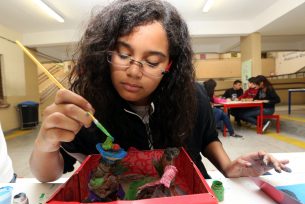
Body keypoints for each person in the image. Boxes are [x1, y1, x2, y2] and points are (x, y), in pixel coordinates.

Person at [30, 0, 289, 182]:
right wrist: (45, 143)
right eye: (123, 55)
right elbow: (47, 175)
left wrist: (228, 167)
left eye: (152, 62)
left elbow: (209, 138)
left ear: (169, 65)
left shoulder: (193, 95)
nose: (133, 71)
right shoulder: (86, 106)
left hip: (189, 196)